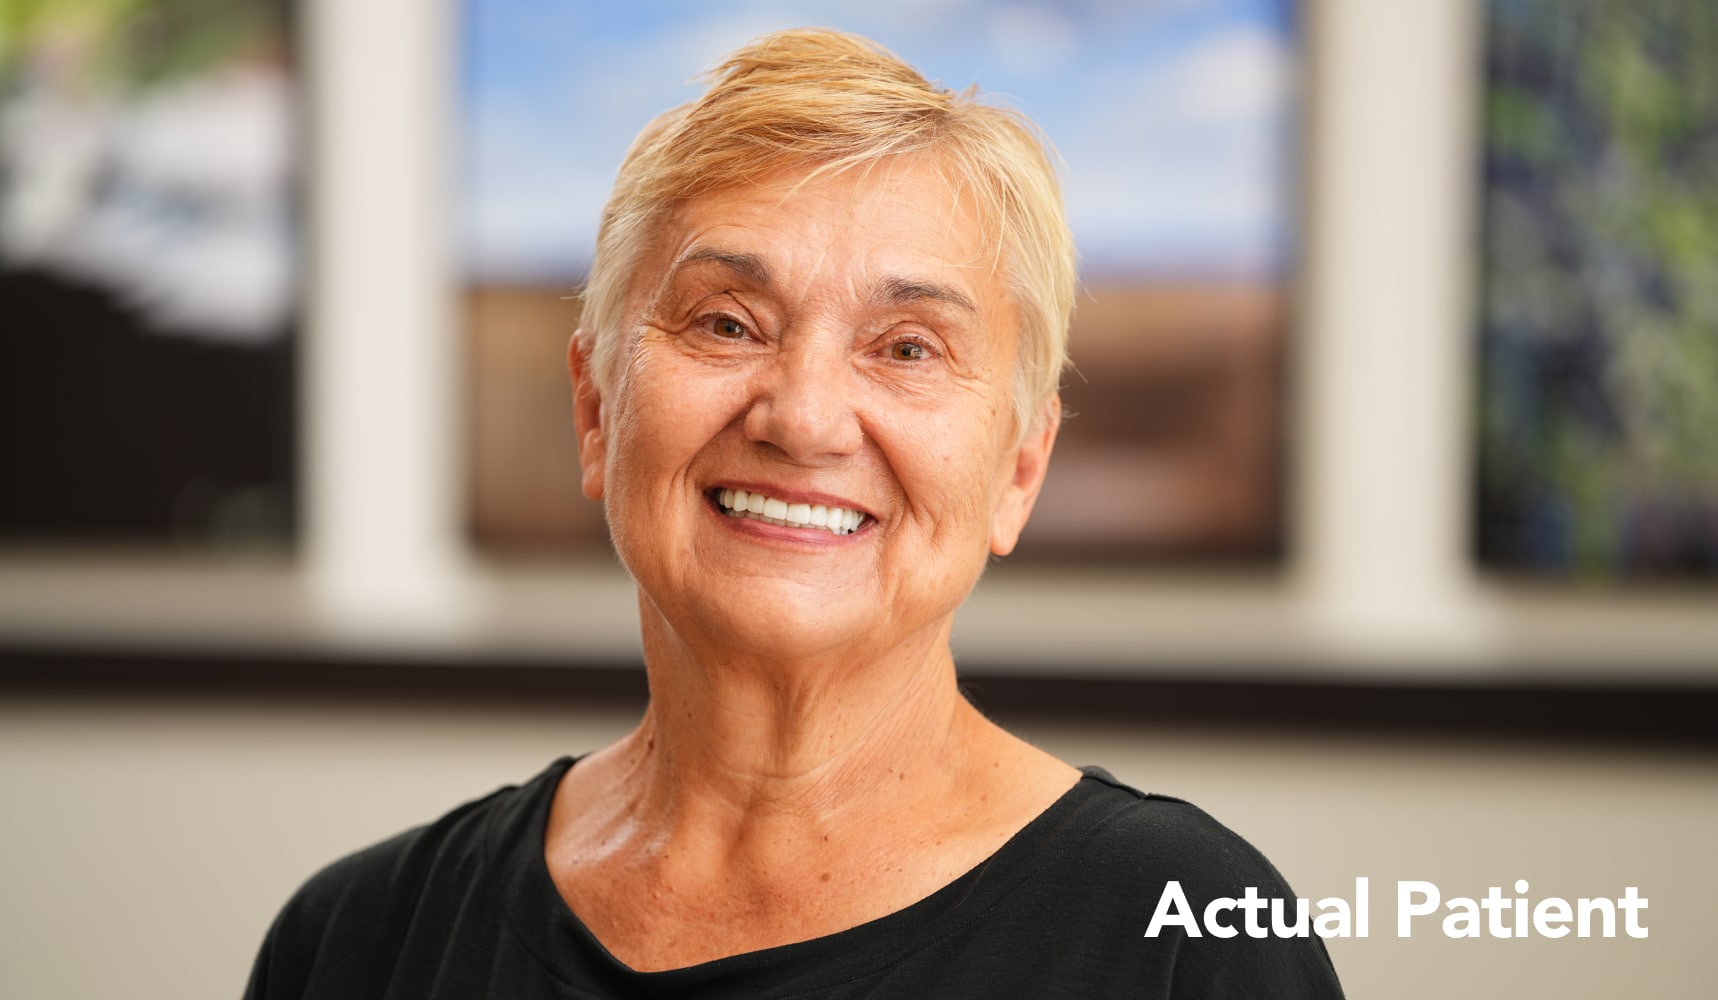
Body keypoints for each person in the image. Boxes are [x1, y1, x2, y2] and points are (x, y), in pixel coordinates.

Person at [244, 28, 1344, 998]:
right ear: (594, 408)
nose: (804, 417)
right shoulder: (356, 940)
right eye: (727, 323)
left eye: (907, 347)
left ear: (1018, 467)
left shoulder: (1182, 942)